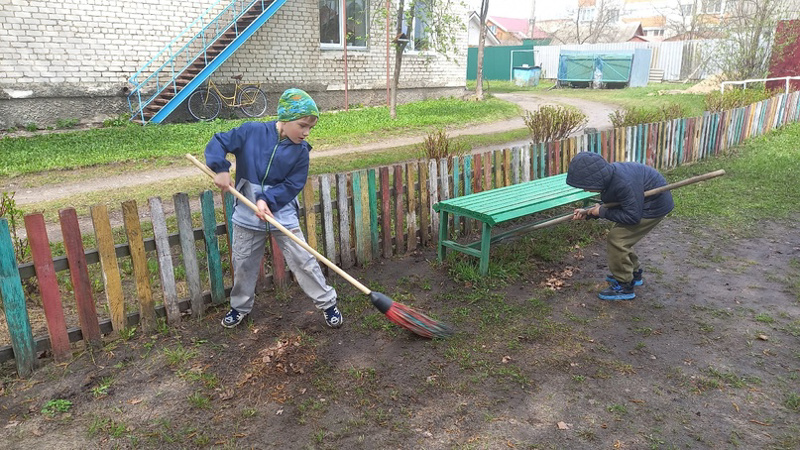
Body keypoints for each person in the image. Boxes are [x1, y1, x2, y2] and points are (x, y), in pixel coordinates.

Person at [204, 88, 342, 329]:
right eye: (302, 125)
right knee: (244, 263)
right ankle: (239, 307)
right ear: (285, 119)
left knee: (303, 260)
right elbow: (219, 141)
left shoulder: (300, 153)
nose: (306, 132)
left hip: (282, 213)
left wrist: (268, 199)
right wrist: (221, 168)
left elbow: (293, 184)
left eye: (311, 127)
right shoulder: (251, 132)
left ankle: (328, 303)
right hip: (246, 214)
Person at [565, 152, 674, 301]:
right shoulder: (610, 177)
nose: (586, 190)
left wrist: (601, 211)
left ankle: (624, 285)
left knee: (617, 239)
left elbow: (632, 216)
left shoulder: (623, 183)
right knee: (621, 238)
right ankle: (634, 274)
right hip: (639, 204)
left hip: (653, 206)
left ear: (596, 179)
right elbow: (615, 204)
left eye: (586, 186)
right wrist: (589, 213)